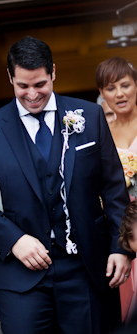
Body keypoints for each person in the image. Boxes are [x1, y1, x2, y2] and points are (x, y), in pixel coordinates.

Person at [0, 36, 133, 334]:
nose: (32, 95)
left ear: (53, 72)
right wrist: (14, 240)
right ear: (10, 77)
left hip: (87, 268)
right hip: (20, 275)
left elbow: (114, 188)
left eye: (40, 84)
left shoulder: (88, 116)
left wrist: (121, 247)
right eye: (22, 86)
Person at [96, 57, 137, 322]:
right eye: (110, 88)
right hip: (122, 231)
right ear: (101, 94)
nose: (119, 94)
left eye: (125, 85)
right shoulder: (102, 134)